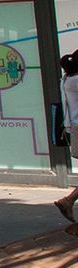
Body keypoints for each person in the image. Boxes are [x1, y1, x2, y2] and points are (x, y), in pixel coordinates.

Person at [54, 51, 78, 235]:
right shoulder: (76, 81)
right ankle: (68, 201)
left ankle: (68, 201)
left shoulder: (67, 80)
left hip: (74, 129)